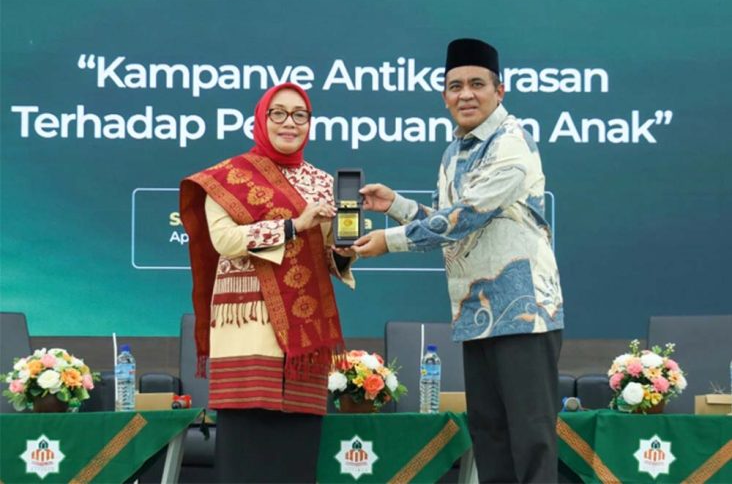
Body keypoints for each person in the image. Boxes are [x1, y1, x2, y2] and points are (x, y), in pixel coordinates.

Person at [352, 38, 564, 483]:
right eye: (455, 86)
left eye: (476, 84)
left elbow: (466, 216)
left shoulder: (511, 142)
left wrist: (390, 241)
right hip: (476, 314)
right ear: (444, 97)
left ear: (499, 91)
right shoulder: (454, 151)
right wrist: (396, 206)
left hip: (524, 314)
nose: (465, 94)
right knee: (490, 437)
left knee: (531, 440)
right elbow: (448, 222)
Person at [180, 82, 355, 483]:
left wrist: (345, 249)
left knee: (295, 458)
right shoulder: (228, 177)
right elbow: (225, 241)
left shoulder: (322, 181)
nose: (289, 123)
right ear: (261, 119)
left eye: (299, 115)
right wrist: (294, 225)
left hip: (304, 337)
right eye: (278, 113)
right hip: (250, 326)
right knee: (246, 454)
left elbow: (329, 258)